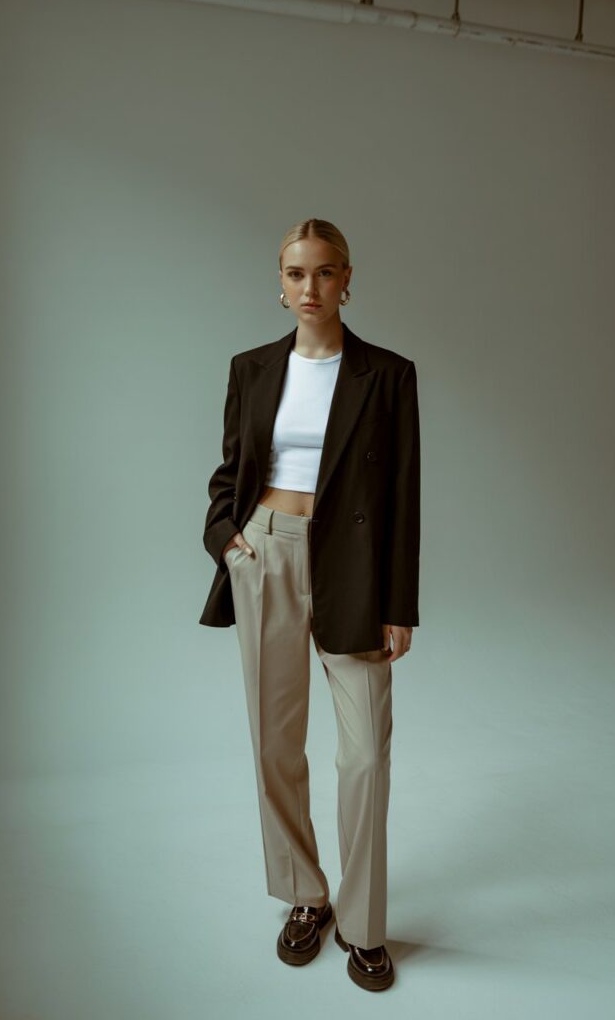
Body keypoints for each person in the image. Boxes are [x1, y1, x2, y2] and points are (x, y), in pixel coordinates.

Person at [199, 218, 420, 992]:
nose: (310, 288)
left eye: (324, 273)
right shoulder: (253, 369)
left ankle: (363, 927)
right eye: (296, 274)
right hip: (266, 553)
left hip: (353, 568)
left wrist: (400, 604)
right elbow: (230, 472)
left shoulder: (387, 375)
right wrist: (228, 538)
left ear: (347, 278)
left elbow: (401, 498)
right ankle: (304, 897)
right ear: (280, 283)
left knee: (365, 756)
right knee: (274, 742)